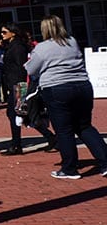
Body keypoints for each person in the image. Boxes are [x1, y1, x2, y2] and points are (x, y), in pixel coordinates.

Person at [25, 15, 107, 180]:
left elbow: (31, 69)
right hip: (82, 85)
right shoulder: (72, 41)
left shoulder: (41, 48)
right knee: (84, 126)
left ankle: (70, 168)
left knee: (64, 129)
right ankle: (105, 162)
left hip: (57, 87)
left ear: (44, 29)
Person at [0, 22, 54, 155]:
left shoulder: (18, 47)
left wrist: (21, 88)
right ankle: (50, 137)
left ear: (13, 33)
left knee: (16, 114)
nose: (2, 35)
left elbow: (22, 68)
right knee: (23, 114)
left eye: (4, 32)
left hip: (19, 86)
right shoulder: (11, 46)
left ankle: (16, 145)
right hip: (13, 84)